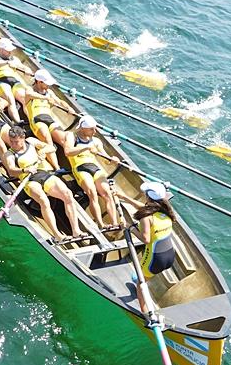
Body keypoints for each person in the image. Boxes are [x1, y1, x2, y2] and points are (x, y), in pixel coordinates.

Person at [3, 126, 86, 241]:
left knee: (68, 194)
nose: (13, 144)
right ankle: (57, 235)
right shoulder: (9, 154)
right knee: (44, 200)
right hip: (29, 180)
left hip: (43, 174)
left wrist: (43, 150)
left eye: (16, 142)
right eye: (11, 141)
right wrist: (25, 170)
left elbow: (52, 148)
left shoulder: (31, 141)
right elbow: (11, 170)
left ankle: (76, 231)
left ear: (23, 138)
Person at [63, 115, 121, 227]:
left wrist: (112, 160)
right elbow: (68, 152)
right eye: (91, 129)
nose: (95, 132)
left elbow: (106, 160)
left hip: (95, 168)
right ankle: (101, 224)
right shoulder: (71, 136)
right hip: (80, 167)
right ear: (82, 128)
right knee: (92, 193)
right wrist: (86, 147)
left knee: (107, 194)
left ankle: (114, 223)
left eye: (95, 128)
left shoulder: (97, 141)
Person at [131, 181, 177, 314]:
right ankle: (143, 279)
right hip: (169, 256)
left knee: (140, 283)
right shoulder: (166, 212)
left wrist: (131, 228)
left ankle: (146, 313)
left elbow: (146, 239)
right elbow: (144, 208)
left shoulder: (146, 217)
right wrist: (124, 198)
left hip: (155, 259)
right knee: (144, 275)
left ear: (148, 197)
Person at [24, 68, 75, 169]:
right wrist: (46, 98)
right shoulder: (30, 89)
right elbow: (30, 95)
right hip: (37, 120)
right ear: (39, 82)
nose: (49, 85)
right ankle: (57, 168)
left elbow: (59, 101)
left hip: (50, 120)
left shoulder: (49, 92)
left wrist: (68, 108)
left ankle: (73, 166)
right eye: (46, 83)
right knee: (48, 140)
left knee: (65, 139)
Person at [0, 37, 32, 124]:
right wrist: (6, 62)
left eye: (10, 50)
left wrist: (27, 69)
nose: (10, 52)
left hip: (14, 81)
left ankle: (32, 121)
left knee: (25, 99)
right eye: (8, 50)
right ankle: (18, 122)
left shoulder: (14, 58)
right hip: (0, 81)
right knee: (10, 99)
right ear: (1, 49)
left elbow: (23, 67)